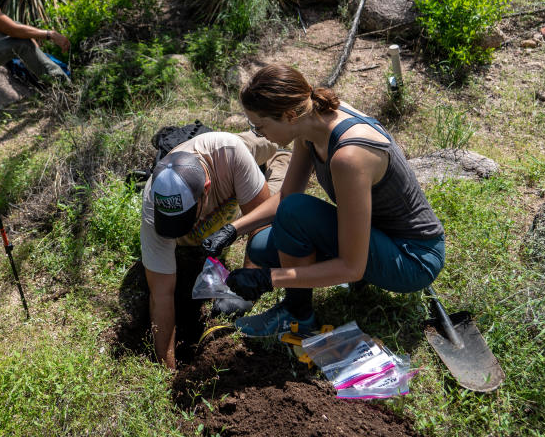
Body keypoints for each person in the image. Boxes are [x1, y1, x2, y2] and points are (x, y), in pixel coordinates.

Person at [221, 64, 445, 337]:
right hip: (378, 235)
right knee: (261, 245)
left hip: (413, 258)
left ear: (289, 114)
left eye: (260, 127)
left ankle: (297, 315)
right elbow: (286, 195)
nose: (260, 134)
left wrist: (268, 279)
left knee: (295, 214)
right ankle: (343, 282)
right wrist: (232, 230)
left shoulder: (348, 157)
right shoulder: (309, 123)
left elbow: (352, 267)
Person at [141, 131, 289, 369]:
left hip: (231, 151)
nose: (180, 229)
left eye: (186, 217)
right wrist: (166, 371)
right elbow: (161, 295)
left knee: (276, 143)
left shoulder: (230, 154)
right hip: (220, 164)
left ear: (206, 189)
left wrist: (249, 281)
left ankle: (280, 155)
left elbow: (260, 225)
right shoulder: (152, 205)